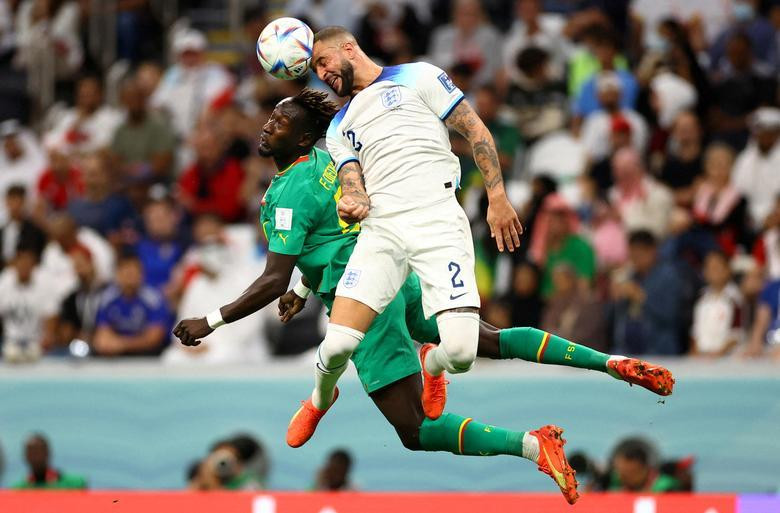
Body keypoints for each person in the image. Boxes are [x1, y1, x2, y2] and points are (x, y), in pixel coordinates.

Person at [173, 90, 674, 504]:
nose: (267, 126)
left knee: (413, 429)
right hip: (395, 272)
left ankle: (527, 443)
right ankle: (610, 362)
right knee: (487, 339)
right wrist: (305, 286)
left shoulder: (286, 193)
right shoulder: (328, 163)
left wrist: (209, 321)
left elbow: (270, 279)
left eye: (280, 121)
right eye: (270, 116)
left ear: (303, 136)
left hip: (362, 301)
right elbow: (333, 229)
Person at [92, 252, 169, 357]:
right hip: (115, 353)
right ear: (117, 274)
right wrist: (109, 344)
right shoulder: (107, 298)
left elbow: (154, 338)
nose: (130, 276)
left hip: (146, 354)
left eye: (134, 272)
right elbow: (101, 337)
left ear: (142, 274)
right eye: (126, 272)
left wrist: (122, 344)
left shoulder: (153, 299)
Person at [0, 246, 58, 362]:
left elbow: (51, 315)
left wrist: (47, 338)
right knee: (11, 354)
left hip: (35, 343)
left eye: (28, 263)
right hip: (9, 342)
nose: (24, 267)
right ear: (15, 264)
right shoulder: (4, 282)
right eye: (21, 262)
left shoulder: (44, 283)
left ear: (34, 266)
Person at [691, 251, 744, 357]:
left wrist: (718, 354)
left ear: (727, 270)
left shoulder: (735, 299)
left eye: (716, 267)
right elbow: (695, 332)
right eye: (708, 267)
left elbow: (737, 334)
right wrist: (696, 352)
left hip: (726, 359)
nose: (712, 271)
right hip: (702, 358)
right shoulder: (701, 298)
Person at [11, 433, 87, 489]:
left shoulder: (74, 484)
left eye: (38, 452)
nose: (35, 457)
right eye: (30, 453)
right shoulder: (18, 489)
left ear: (48, 453)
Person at [0, 185, 46, 268]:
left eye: (18, 202)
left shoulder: (34, 230)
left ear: (24, 203)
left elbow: (33, 255)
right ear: (6, 202)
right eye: (11, 200)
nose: (15, 206)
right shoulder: (2, 230)